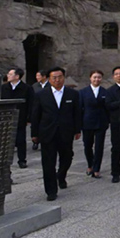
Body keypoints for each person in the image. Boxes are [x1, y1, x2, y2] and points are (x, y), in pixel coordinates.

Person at [31, 67, 82, 201]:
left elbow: (77, 113)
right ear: (49, 79)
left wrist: (77, 129)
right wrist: (34, 133)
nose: (57, 80)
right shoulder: (41, 94)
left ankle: (61, 175)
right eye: (54, 77)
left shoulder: (72, 94)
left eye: (60, 77)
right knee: (48, 162)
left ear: (64, 78)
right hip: (47, 132)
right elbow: (35, 115)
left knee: (67, 157)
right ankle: (51, 190)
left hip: (66, 131)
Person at [1, 67, 34, 169]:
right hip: (6, 118)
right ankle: (4, 161)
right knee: (5, 140)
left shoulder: (27, 88)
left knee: (20, 140)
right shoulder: (4, 87)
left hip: (20, 117)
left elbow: (31, 103)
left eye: (10, 74)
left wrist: (29, 118)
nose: (8, 76)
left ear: (17, 76)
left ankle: (22, 160)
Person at [80, 70, 109, 179]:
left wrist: (107, 120)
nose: (97, 79)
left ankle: (96, 168)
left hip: (101, 122)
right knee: (87, 145)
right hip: (87, 122)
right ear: (90, 78)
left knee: (99, 146)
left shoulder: (105, 92)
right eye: (94, 77)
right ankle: (90, 165)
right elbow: (80, 108)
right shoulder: (83, 92)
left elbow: (107, 108)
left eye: (99, 77)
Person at [105, 66, 120, 183]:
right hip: (116, 123)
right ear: (113, 76)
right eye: (116, 74)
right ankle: (115, 172)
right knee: (116, 148)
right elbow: (108, 105)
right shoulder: (110, 91)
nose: (119, 76)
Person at [31, 70, 48, 151]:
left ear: (44, 76)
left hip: (46, 108)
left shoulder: (50, 85)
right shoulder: (35, 86)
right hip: (37, 107)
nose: (37, 77)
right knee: (36, 124)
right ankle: (36, 141)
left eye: (39, 76)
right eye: (36, 76)